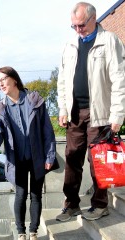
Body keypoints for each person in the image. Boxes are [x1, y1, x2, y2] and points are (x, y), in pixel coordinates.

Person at [56, 2, 125, 222]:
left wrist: (117, 115)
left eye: (81, 25)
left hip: (100, 113)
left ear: (93, 19)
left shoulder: (110, 40)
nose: (78, 29)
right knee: (72, 159)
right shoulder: (69, 44)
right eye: (74, 26)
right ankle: (72, 205)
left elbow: (119, 80)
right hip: (75, 113)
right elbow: (62, 80)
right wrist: (63, 108)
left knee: (98, 161)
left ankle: (100, 204)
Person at [0, 66, 57, 240]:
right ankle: (21, 234)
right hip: (16, 160)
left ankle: (33, 233)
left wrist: (50, 155)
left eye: (3, 80)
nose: (0, 84)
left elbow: (47, 131)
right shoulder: (0, 109)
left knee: (35, 195)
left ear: (14, 79)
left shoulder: (34, 101)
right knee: (20, 195)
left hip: (37, 157)